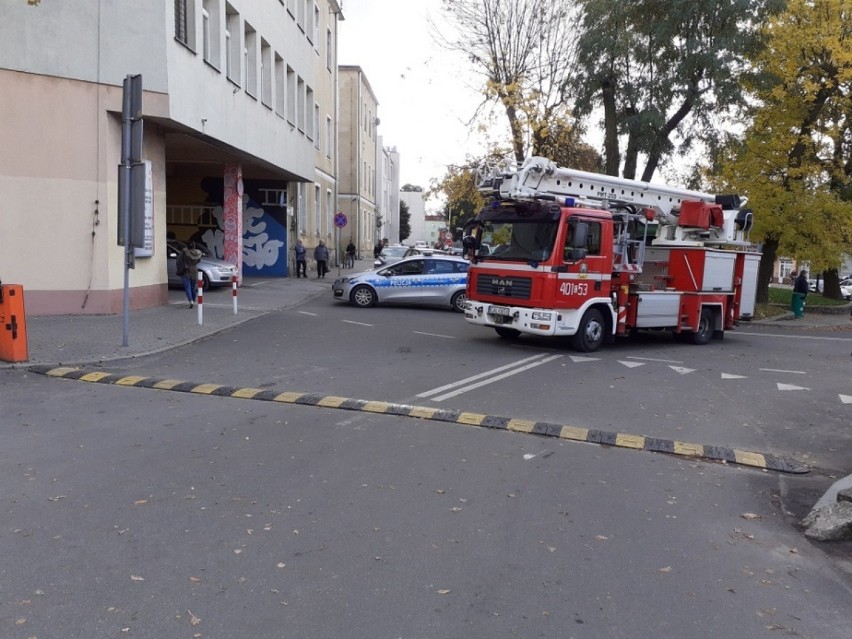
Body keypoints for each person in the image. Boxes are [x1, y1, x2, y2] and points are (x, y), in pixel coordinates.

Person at [179, 241, 203, 308]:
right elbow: (199, 260)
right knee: (193, 287)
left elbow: (179, 260)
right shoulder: (198, 253)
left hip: (186, 270)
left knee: (187, 287)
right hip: (194, 269)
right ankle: (193, 300)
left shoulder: (184, 252)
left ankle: (190, 301)